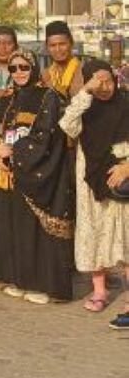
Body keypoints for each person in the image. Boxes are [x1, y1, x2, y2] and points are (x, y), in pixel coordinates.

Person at [0, 49, 73, 304]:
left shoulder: (49, 97)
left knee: (35, 230)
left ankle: (42, 285)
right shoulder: (9, 98)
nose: (19, 73)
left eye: (24, 67)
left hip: (39, 173)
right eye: (13, 68)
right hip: (9, 173)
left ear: (33, 68)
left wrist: (15, 152)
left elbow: (47, 135)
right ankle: (18, 279)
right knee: (13, 226)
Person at [60, 60, 129, 328]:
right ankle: (100, 290)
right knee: (95, 231)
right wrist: (85, 92)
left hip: (122, 177)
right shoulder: (85, 106)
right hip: (90, 180)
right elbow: (67, 125)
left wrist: (126, 167)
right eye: (97, 81)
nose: (104, 87)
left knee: (124, 234)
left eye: (107, 80)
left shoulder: (126, 101)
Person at [43, 20, 83, 99]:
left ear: (71, 43)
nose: (58, 49)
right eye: (53, 45)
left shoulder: (84, 70)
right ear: (47, 47)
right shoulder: (45, 75)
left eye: (62, 44)